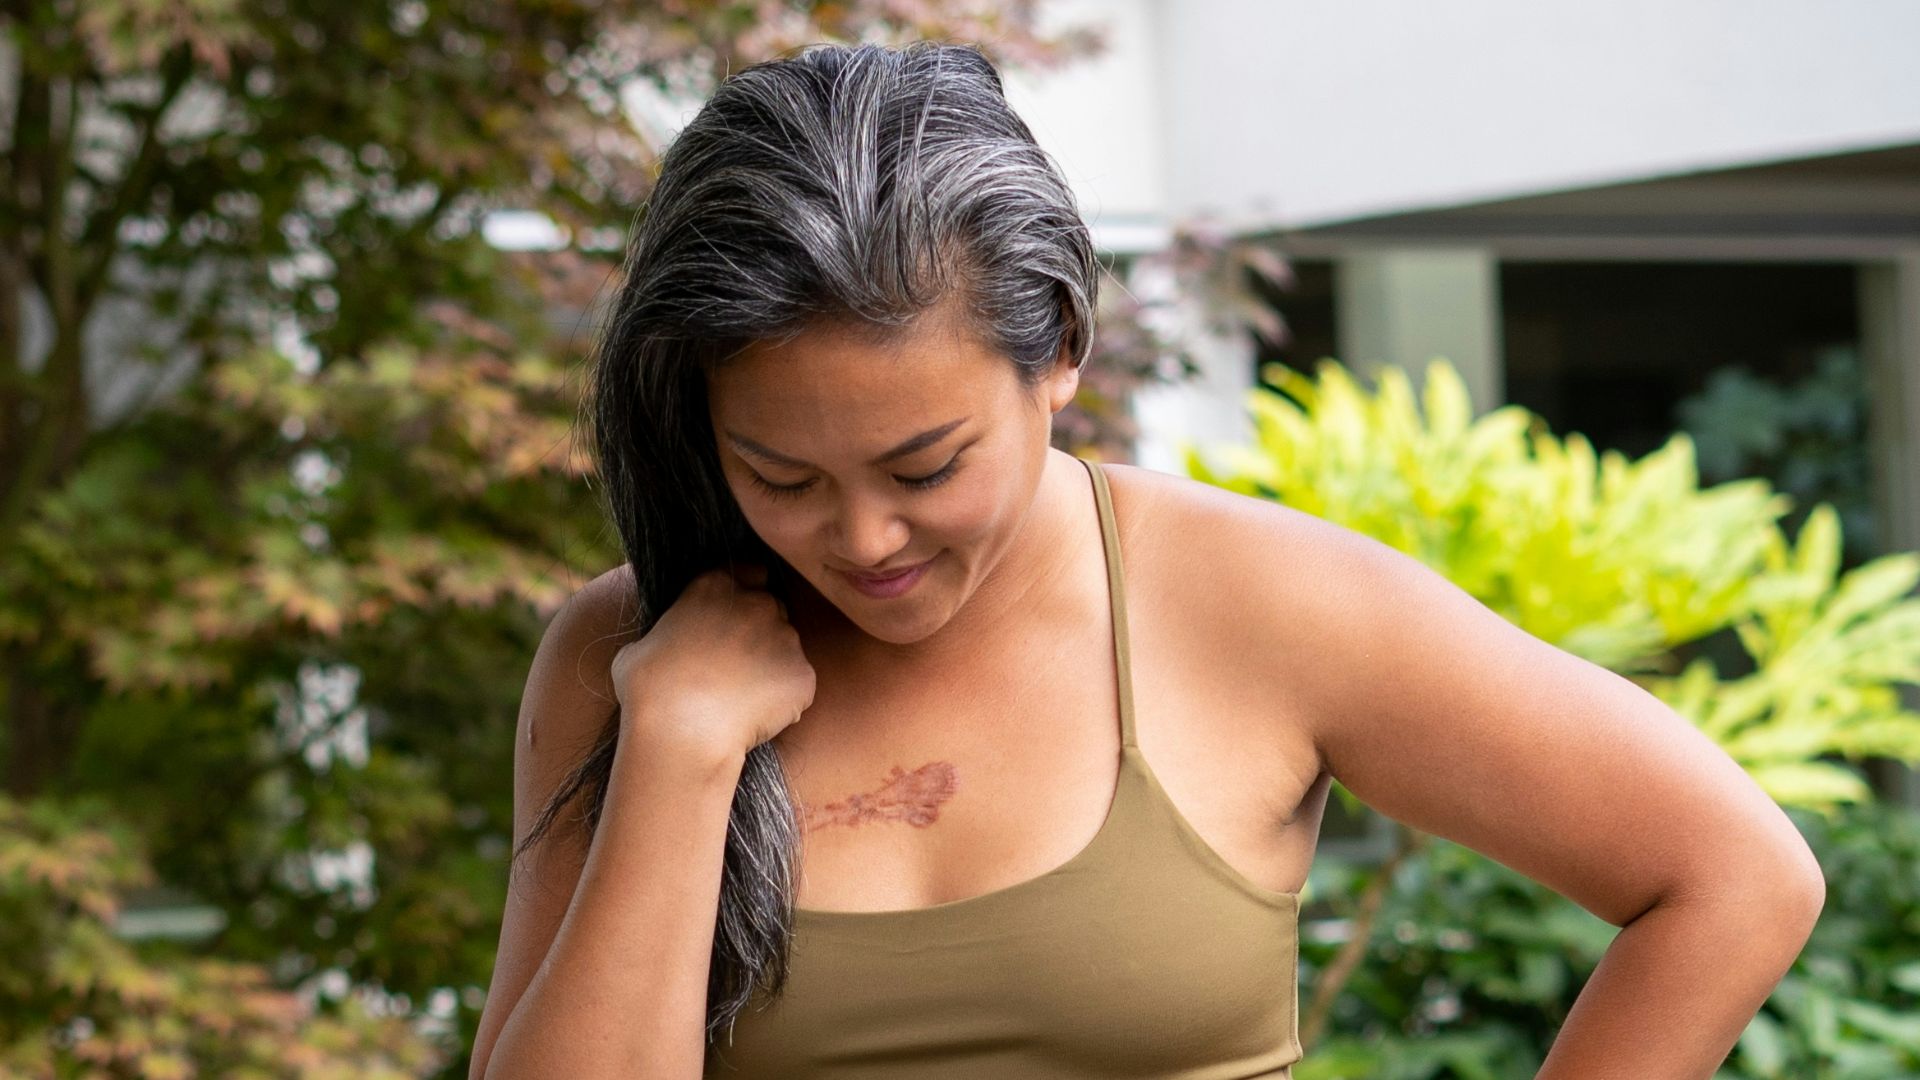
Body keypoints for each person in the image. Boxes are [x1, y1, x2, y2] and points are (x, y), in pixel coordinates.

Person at [468, 41, 1826, 1080]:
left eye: (926, 468)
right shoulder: (626, 660)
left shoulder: (1256, 602)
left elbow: (1732, 874)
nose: (865, 538)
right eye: (781, 477)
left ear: (1060, 346)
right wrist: (682, 751)